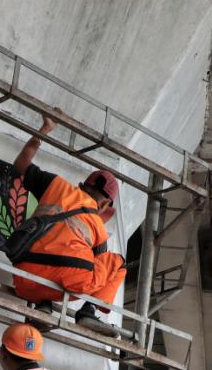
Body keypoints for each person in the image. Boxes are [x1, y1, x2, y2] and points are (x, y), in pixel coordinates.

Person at [9, 115, 126, 337]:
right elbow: (97, 267)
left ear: (81, 185)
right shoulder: (99, 229)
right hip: (69, 286)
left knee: (52, 259)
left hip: (24, 279)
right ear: (104, 205)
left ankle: (42, 306)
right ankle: (88, 312)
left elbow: (21, 163)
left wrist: (45, 128)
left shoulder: (56, 186)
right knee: (117, 263)